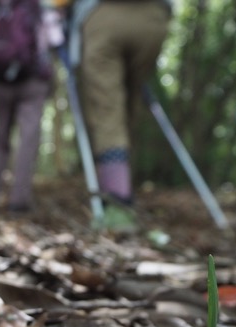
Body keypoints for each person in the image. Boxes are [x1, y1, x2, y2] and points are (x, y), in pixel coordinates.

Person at [67, 0, 172, 207]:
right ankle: (116, 182)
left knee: (108, 111)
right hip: (154, 19)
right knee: (129, 103)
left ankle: (117, 199)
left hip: (102, 16)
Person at [0, 0, 59, 213]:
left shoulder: (2, 9)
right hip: (33, 80)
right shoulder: (39, 9)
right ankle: (19, 199)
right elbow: (55, 40)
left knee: (1, 137)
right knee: (28, 139)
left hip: (2, 83)